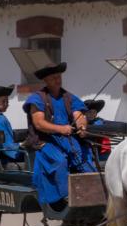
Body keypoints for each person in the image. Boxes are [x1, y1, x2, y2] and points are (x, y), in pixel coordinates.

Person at [22, 62, 96, 211]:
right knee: (60, 161)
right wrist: (60, 129)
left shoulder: (68, 97)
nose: (57, 80)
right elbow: (39, 123)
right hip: (45, 141)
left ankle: (93, 195)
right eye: (53, 77)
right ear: (46, 80)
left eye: (59, 76)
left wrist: (82, 127)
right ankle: (63, 197)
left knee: (84, 159)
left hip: (68, 140)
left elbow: (79, 114)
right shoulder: (37, 99)